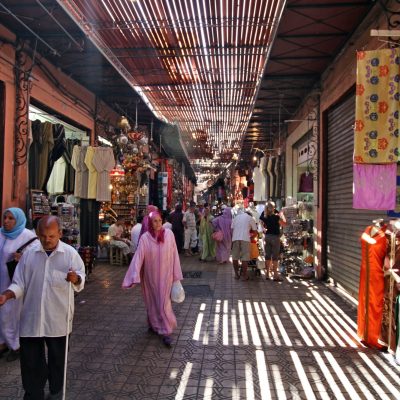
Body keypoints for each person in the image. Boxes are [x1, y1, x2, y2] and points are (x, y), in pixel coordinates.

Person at [0, 215, 85, 400]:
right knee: (30, 362)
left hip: (58, 319)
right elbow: (19, 283)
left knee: (57, 361)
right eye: (43, 236)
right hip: (32, 318)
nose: (47, 240)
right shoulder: (29, 255)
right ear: (37, 234)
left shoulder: (70, 254)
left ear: (60, 234)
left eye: (52, 236)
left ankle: (55, 392)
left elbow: (81, 277)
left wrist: (76, 278)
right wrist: (6, 295)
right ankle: (33, 394)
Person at [122, 211, 183, 347]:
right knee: (152, 300)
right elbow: (139, 257)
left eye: (160, 220)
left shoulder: (169, 235)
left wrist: (176, 274)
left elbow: (174, 255)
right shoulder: (145, 238)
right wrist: (134, 275)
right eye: (155, 221)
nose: (158, 224)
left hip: (166, 276)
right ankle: (153, 323)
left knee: (163, 302)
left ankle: (166, 331)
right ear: (150, 223)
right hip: (150, 277)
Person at [0, 208, 37, 362]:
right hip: (1, 279)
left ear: (19, 220)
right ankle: (2, 344)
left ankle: (16, 346)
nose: (6, 221)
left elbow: (36, 258)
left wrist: (22, 258)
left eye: (11, 218)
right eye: (5, 217)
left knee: (9, 314)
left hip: (14, 283)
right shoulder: (1, 233)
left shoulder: (28, 236)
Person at [259, 201, 286, 281]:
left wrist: (263, 228)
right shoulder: (276, 215)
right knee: (275, 257)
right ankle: (275, 275)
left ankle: (267, 274)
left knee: (267, 256)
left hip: (267, 236)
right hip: (275, 237)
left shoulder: (264, 214)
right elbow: (284, 223)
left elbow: (260, 221)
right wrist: (282, 215)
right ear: (273, 207)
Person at [231, 208, 257, 281]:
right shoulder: (250, 218)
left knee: (235, 257)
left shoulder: (236, 218)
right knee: (245, 258)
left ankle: (236, 275)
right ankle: (244, 276)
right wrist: (251, 238)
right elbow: (255, 232)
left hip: (235, 238)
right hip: (245, 238)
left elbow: (232, 230)